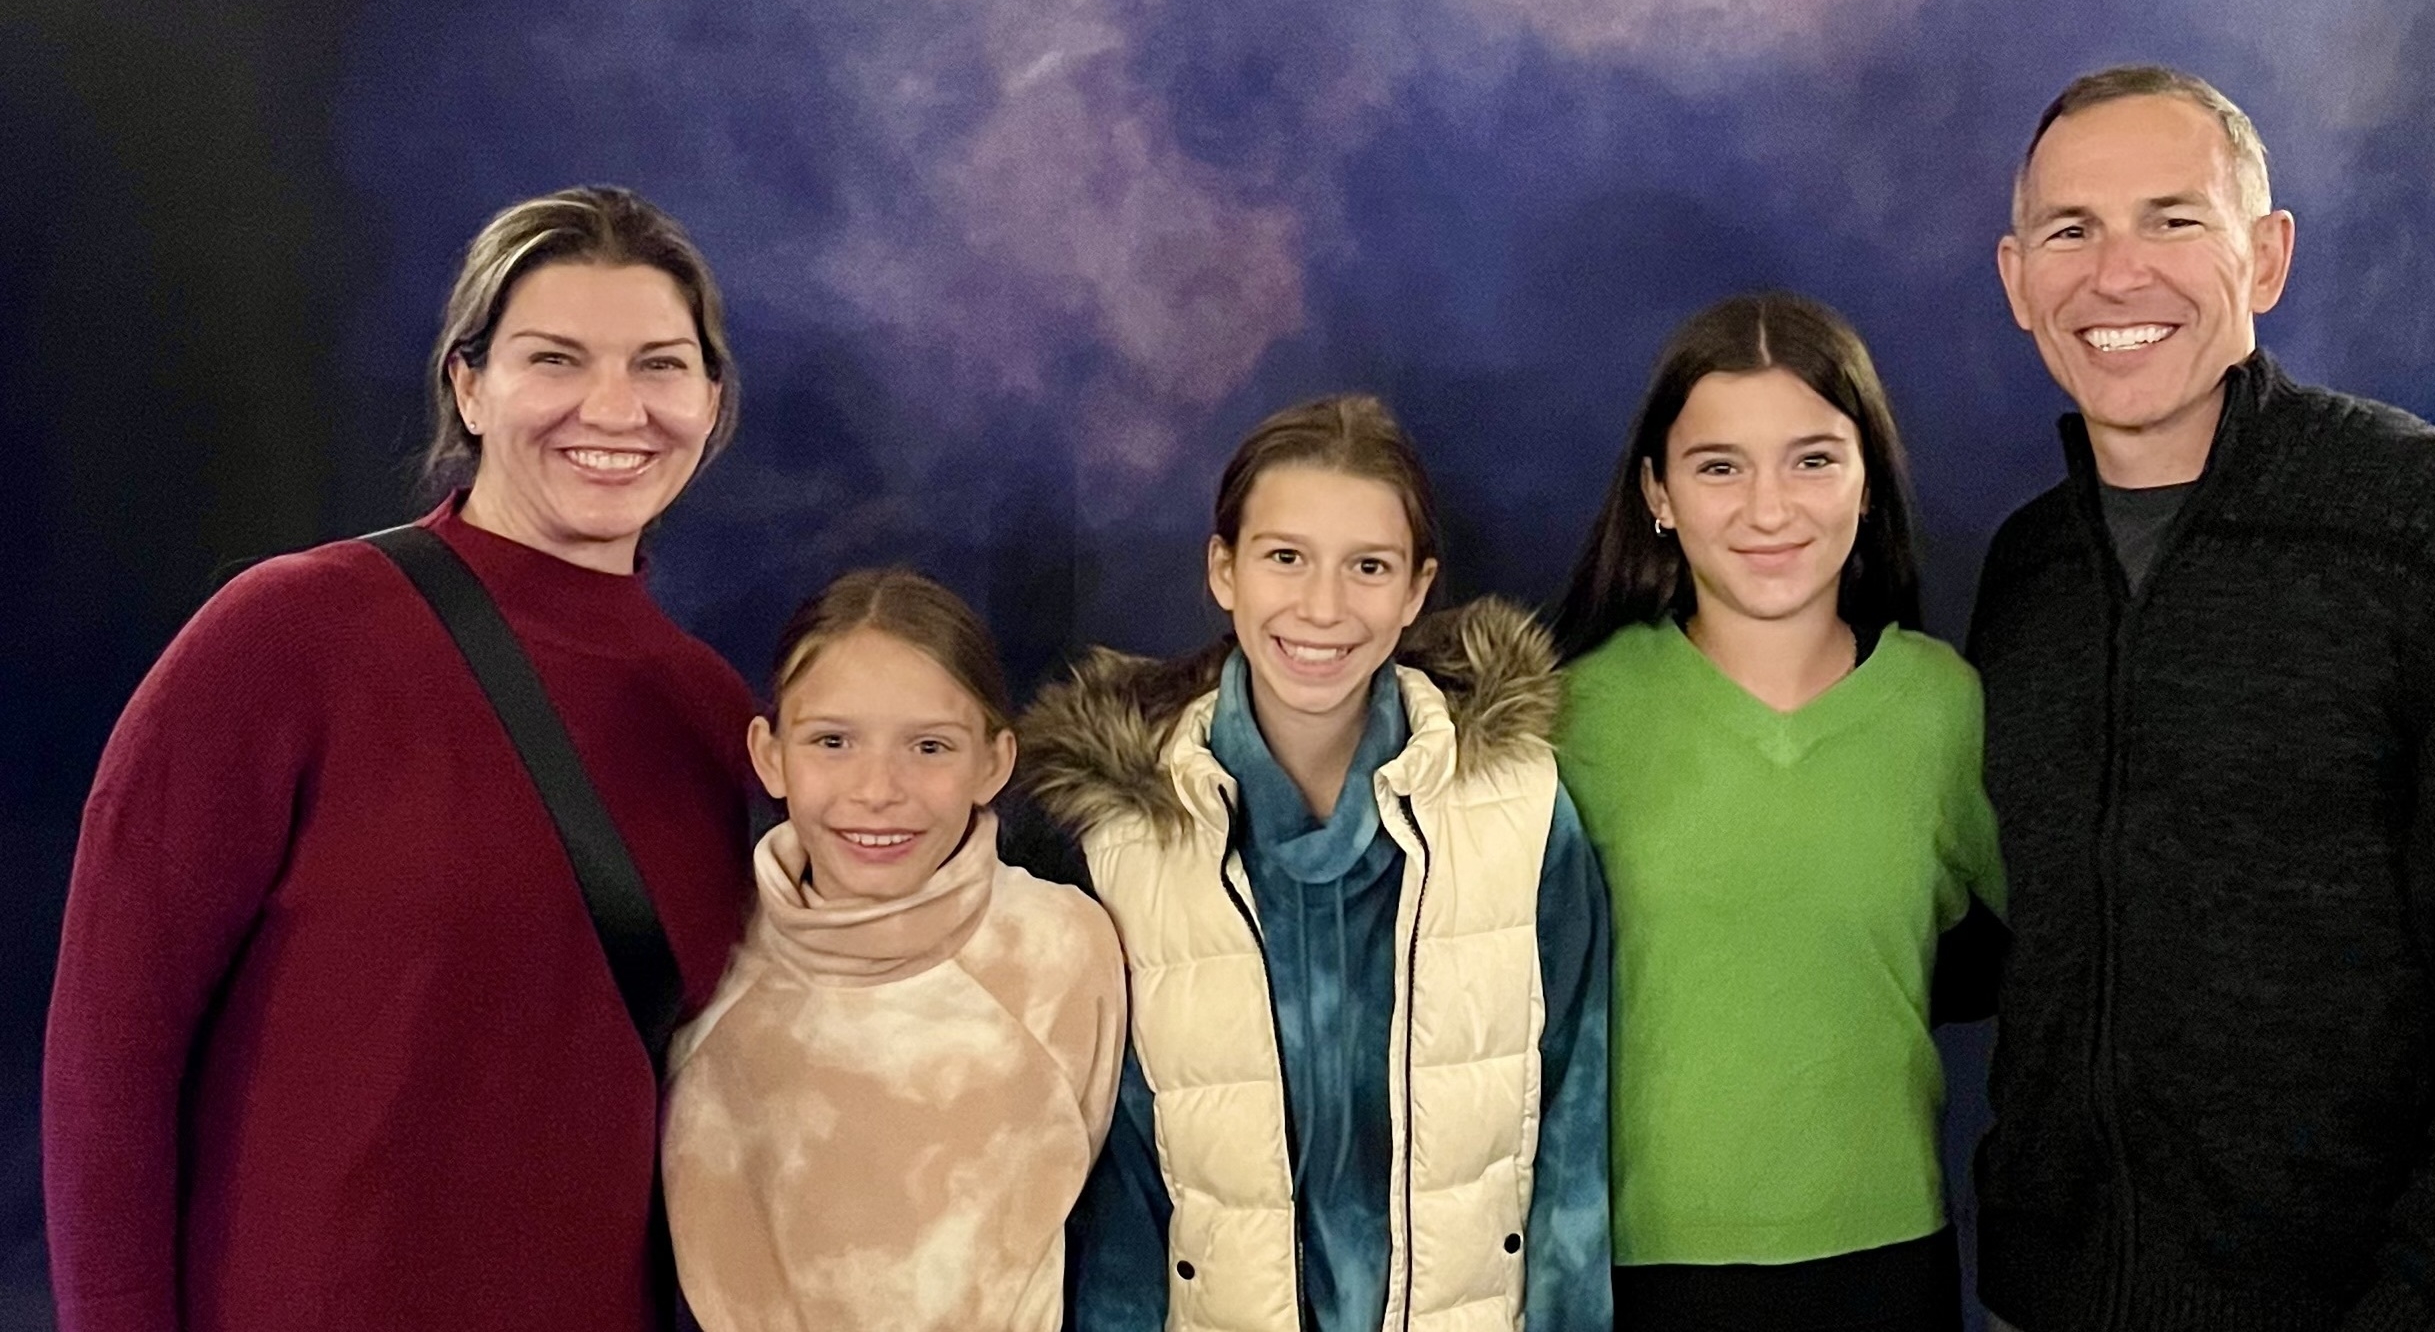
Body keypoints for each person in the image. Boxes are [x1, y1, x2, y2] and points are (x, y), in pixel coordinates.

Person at [1971, 65, 2435, 1332]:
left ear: (2267, 256)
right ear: (2017, 280)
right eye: (2070, 230)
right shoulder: (2027, 571)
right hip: (2046, 1302)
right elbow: (2026, 924)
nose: (2116, 273)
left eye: (2173, 219)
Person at [44, 187, 760, 1332]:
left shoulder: (721, 720)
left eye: (660, 365)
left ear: (710, 401)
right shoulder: (290, 635)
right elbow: (110, 1055)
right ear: (469, 384)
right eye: (555, 358)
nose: (613, 406)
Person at [1017, 393, 1613, 1332]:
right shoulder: (1124, 839)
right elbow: (1120, 1190)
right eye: (1285, 557)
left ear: (1416, 589)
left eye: (1368, 565)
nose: (1323, 607)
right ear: (1224, 569)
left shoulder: (1521, 810)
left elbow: (1572, 1134)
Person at [1550, 293, 2005, 1332]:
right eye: (1719, 466)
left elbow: (2082, 958)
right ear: (1658, 493)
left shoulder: (1944, 709)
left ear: (1867, 482)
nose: (1768, 509)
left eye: (1812, 460)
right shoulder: (1575, 719)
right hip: (1641, 1269)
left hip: (1889, 1259)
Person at [663, 567, 1125, 1332]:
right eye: (833, 741)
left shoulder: (1061, 949)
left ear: (993, 762)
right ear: (771, 755)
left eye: (930, 746)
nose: (878, 789)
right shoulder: (708, 948)